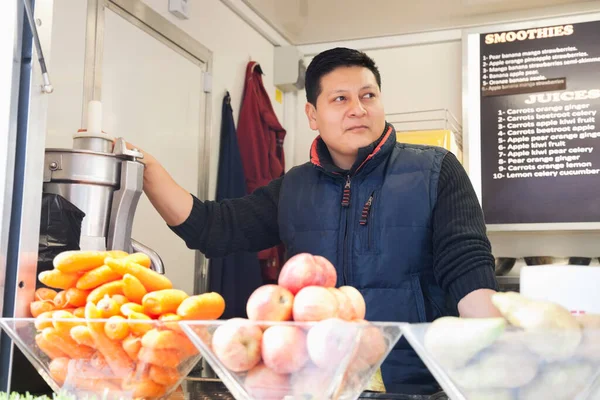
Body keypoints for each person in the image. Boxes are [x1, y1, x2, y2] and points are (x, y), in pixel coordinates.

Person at [127, 47, 500, 395]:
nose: (358, 109)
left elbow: (467, 267)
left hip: (419, 385)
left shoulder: (435, 170)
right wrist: (149, 173)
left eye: (368, 96)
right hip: (320, 385)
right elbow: (214, 228)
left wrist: (499, 356)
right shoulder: (294, 187)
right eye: (340, 99)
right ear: (312, 115)